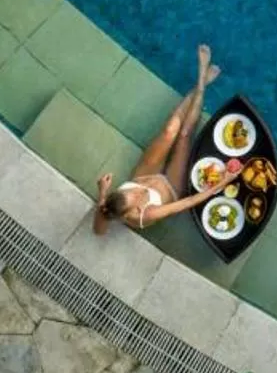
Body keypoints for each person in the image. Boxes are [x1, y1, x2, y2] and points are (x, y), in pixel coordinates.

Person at [95, 45, 239, 235]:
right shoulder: (148, 214)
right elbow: (188, 202)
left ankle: (200, 82)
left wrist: (103, 192)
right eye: (138, 196)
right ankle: (202, 85)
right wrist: (224, 181)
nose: (141, 191)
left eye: (131, 191)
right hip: (170, 187)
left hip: (144, 174)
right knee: (184, 134)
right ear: (135, 210)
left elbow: (98, 227)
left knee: (170, 130)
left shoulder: (110, 205)